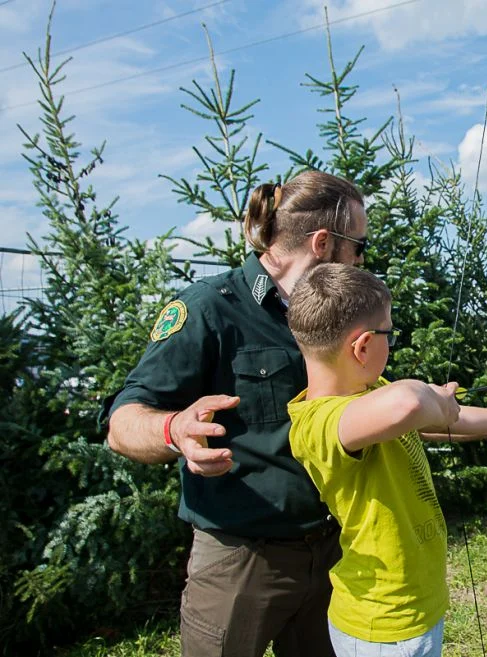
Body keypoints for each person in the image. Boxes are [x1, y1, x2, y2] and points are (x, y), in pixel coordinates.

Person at [106, 170, 369, 657]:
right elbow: (122, 423)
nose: (362, 260)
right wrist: (172, 429)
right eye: (359, 245)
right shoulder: (209, 309)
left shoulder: (336, 315)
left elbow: (371, 414)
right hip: (240, 563)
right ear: (322, 242)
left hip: (334, 553)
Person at [285, 263, 487, 657]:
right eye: (388, 333)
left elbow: (422, 419)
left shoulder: (367, 391)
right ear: (362, 347)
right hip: (382, 625)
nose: (390, 343)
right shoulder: (318, 423)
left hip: (411, 608)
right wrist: (431, 399)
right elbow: (409, 404)